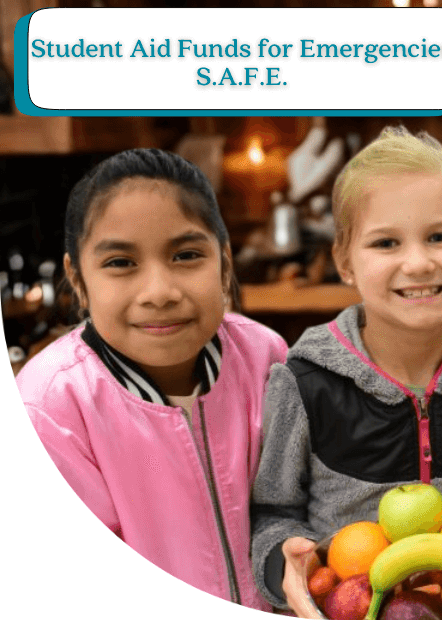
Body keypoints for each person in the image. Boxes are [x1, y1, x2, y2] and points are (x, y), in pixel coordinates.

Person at [250, 126, 442, 616]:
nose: (417, 263)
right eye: (386, 243)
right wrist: (283, 563)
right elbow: (275, 513)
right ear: (344, 262)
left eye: (440, 236)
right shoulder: (303, 384)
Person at [18, 148, 288, 611]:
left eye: (186, 255)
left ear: (224, 264)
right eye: (120, 263)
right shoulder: (50, 408)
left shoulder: (266, 356)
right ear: (77, 280)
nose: (160, 292)